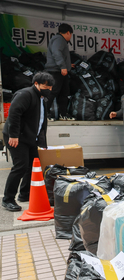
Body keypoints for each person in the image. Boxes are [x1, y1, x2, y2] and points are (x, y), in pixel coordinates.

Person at [2, 72, 54, 211]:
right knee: (20, 166)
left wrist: (41, 139)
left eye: (50, 87)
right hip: (17, 137)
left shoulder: (42, 98)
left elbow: (40, 120)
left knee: (32, 166)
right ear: (36, 84)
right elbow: (14, 114)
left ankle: (25, 194)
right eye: (45, 86)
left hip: (30, 138)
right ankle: (7, 199)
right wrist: (13, 135)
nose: (48, 89)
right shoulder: (25, 94)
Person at [45, 23, 74, 121]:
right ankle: (44, 114)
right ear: (68, 33)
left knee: (64, 93)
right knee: (52, 92)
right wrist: (62, 66)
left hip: (59, 70)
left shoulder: (58, 39)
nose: (70, 37)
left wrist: (68, 65)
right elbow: (56, 52)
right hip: (56, 71)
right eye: (71, 35)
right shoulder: (59, 39)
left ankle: (63, 114)